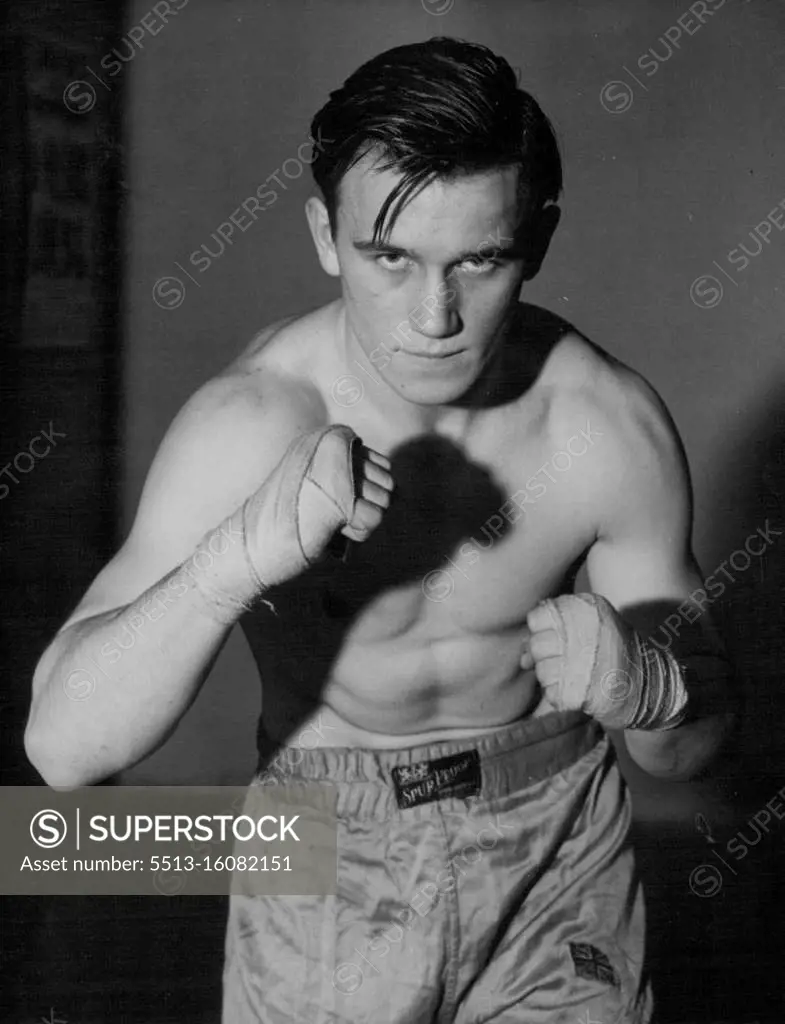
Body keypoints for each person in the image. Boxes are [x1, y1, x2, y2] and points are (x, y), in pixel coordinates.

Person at [25, 36, 737, 1024]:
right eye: (388, 257)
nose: (432, 314)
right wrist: (230, 563)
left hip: (555, 838)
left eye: (478, 260)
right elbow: (63, 747)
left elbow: (699, 749)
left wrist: (649, 689)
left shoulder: (601, 425)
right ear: (325, 237)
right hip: (318, 839)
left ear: (535, 239)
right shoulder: (251, 422)